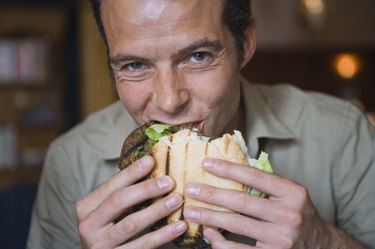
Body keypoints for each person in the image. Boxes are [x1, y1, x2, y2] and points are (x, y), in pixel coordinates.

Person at [27, 0, 375, 248]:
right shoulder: (70, 160)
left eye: (197, 56)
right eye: (134, 65)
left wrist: (323, 242)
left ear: (245, 45)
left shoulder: (341, 134)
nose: (167, 101)